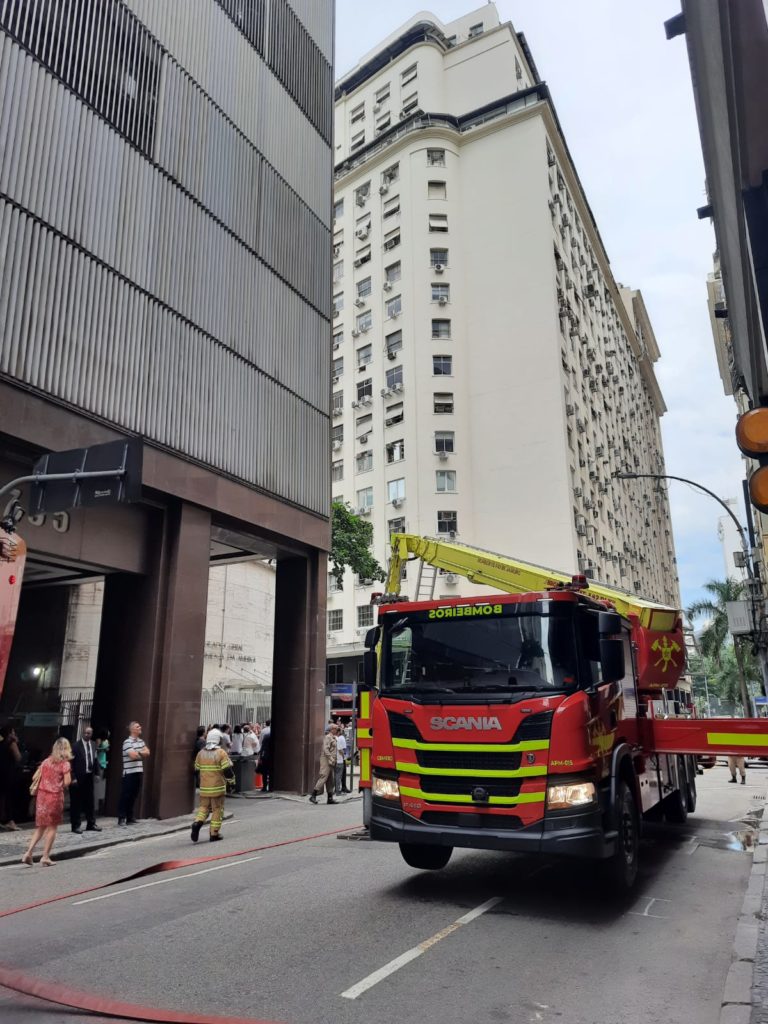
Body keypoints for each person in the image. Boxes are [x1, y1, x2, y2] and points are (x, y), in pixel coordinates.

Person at [22, 737, 72, 866]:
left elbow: (34, 777)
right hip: (54, 797)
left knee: (40, 827)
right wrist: (58, 785)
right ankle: (45, 856)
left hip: (42, 797)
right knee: (52, 827)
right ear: (66, 749)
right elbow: (67, 782)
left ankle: (28, 853)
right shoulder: (64, 763)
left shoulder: (46, 761)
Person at [191, 728, 235, 842]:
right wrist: (232, 782)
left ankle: (197, 823)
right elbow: (227, 771)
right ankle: (214, 833)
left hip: (204, 788)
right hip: (217, 787)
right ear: (218, 740)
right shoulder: (221, 753)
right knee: (217, 810)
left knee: (203, 808)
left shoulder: (201, 753)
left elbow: (196, 769)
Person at [70, 726, 101, 833]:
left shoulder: (93, 745)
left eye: (89, 733)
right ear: (82, 734)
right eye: (85, 733)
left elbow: (95, 759)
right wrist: (73, 777)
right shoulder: (75, 746)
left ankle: (91, 823)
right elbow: (71, 763)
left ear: (92, 734)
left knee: (90, 801)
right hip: (78, 777)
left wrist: (97, 773)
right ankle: (75, 825)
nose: (87, 735)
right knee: (76, 802)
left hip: (89, 776)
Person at [118, 722, 150, 826]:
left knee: (134, 795)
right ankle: (121, 817)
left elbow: (148, 752)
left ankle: (130, 817)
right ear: (132, 730)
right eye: (137, 726)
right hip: (129, 773)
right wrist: (141, 753)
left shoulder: (141, 741)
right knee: (126, 795)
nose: (140, 727)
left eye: (140, 726)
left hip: (138, 771)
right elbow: (132, 756)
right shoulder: (127, 742)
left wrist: (138, 753)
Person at [0, 722, 22, 831]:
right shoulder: (11, 743)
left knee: (2, 797)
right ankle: (10, 821)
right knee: (9, 798)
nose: (15, 733)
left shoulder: (1, 742)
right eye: (13, 732)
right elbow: (18, 757)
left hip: (1, 772)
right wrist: (16, 742)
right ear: (10, 733)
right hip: (9, 773)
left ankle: (2, 819)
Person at [309, 725, 338, 805]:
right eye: (336, 728)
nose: (337, 730)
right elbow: (326, 749)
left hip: (330, 760)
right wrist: (331, 758)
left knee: (330, 780)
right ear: (332, 729)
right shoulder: (328, 737)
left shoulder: (333, 737)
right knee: (324, 777)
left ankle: (330, 798)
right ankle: (313, 795)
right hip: (326, 759)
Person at [259, 719, 272, 792]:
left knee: (264, 772)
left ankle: (264, 787)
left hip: (265, 756)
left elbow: (262, 746)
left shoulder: (266, 735)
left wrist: (260, 757)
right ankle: (271, 786)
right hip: (271, 757)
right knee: (270, 772)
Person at [335, 724, 348, 795]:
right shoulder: (340, 738)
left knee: (337, 775)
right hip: (340, 759)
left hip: (336, 759)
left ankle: (337, 789)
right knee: (339, 775)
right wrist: (344, 757)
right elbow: (341, 750)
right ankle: (338, 790)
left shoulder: (335, 738)